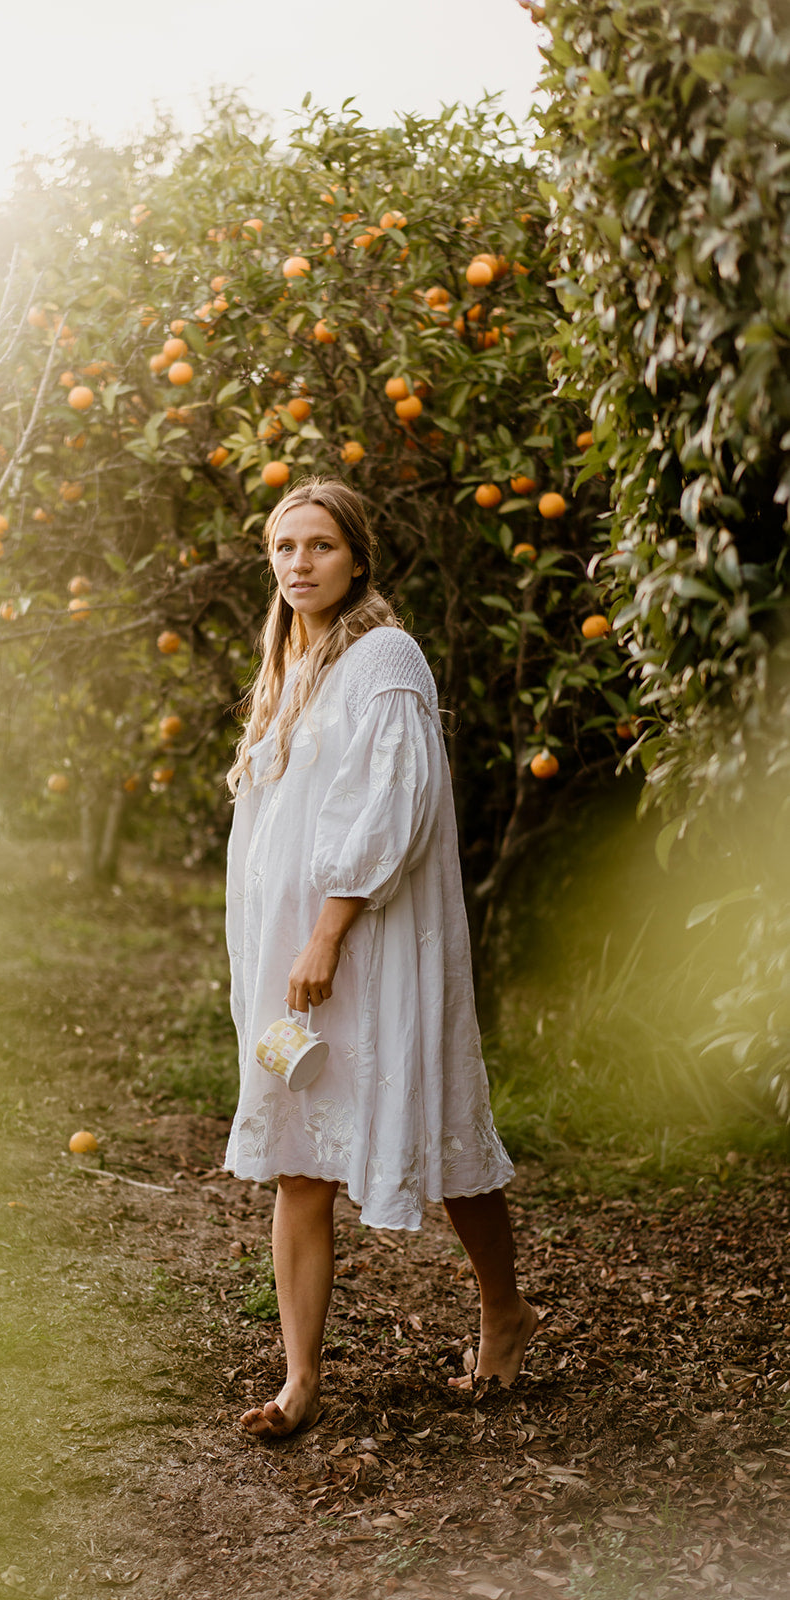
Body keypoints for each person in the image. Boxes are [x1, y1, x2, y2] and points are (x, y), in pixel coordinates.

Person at [223, 477, 537, 1439]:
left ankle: (503, 1309)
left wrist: (325, 931)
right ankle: (301, 1381)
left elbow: (390, 811)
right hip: (295, 955)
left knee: (439, 1131)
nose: (297, 565)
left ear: (356, 556)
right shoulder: (289, 664)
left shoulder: (382, 658)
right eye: (283, 549)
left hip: (363, 942)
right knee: (297, 1157)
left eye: (317, 546)